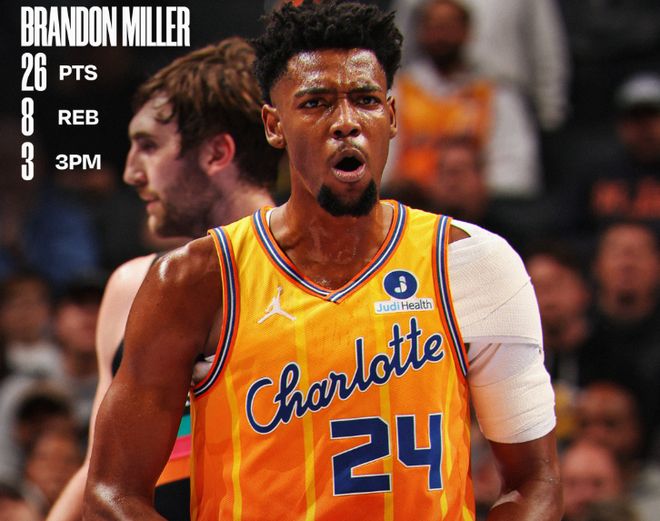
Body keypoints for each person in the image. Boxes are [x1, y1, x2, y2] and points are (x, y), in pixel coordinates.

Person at [84, 2, 560, 520]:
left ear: (392, 116)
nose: (346, 123)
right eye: (316, 103)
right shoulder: (194, 279)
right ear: (274, 125)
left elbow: (535, 481)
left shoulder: (473, 264)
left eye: (366, 100)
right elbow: (111, 492)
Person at [47, 37, 281, 521]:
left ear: (216, 153)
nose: (131, 172)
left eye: (149, 146)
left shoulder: (317, 282)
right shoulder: (131, 286)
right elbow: (101, 468)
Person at [383, 0, 540, 198]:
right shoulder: (397, 93)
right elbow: (382, 163)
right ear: (420, 32)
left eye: (449, 26)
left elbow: (514, 169)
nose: (441, 36)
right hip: (409, 203)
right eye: (434, 26)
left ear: (467, 32)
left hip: (479, 208)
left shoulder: (495, 95)